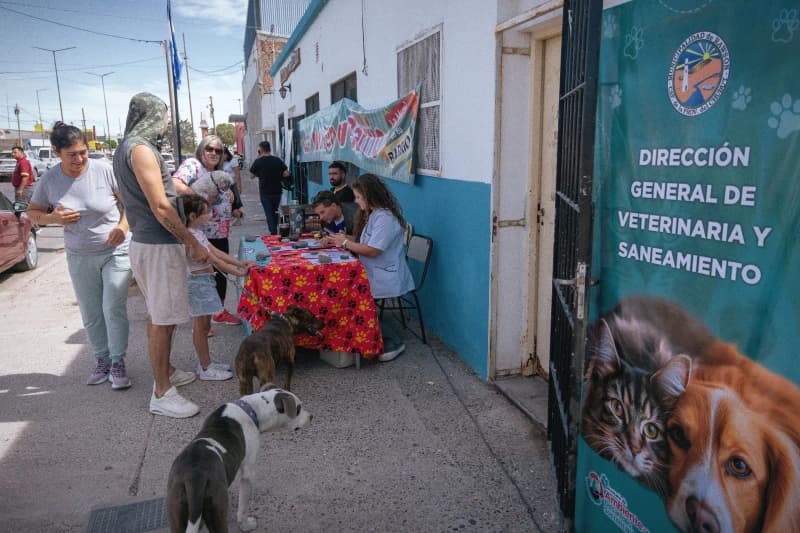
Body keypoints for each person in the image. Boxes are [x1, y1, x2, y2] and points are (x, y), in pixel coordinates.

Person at [113, 92, 209, 419]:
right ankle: (162, 391)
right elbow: (160, 205)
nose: (167, 123)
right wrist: (191, 242)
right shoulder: (139, 148)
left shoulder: (130, 147)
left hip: (150, 243)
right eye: (165, 116)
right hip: (157, 244)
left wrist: (189, 192)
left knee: (159, 315)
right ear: (153, 115)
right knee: (162, 319)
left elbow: (161, 191)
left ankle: (165, 371)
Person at [26, 122, 133, 389]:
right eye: (72, 154)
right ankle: (102, 360)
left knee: (112, 308)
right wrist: (53, 217)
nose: (80, 159)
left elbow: (129, 204)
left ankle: (118, 362)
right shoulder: (50, 180)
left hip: (115, 250)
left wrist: (122, 226)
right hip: (79, 255)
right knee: (91, 312)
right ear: (56, 152)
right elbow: (33, 212)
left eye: (83, 152)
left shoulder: (104, 170)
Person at [323, 173, 413, 362]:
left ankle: (393, 341)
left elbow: (373, 250)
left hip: (385, 275)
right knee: (345, 291)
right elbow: (365, 242)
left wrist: (346, 243)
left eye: (358, 197)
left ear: (370, 196)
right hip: (372, 271)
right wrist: (338, 240)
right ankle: (363, 337)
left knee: (351, 297)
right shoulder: (374, 215)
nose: (356, 201)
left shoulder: (385, 219)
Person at [172, 135, 241, 327]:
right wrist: (199, 199)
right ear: (201, 149)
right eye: (209, 149)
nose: (213, 153)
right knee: (208, 276)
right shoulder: (193, 165)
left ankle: (215, 313)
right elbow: (175, 184)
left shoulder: (218, 171)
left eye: (218, 151)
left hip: (220, 231)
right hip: (201, 233)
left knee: (217, 276)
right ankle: (206, 318)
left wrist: (233, 203)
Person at [181, 193, 252, 380]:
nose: (210, 215)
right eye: (206, 213)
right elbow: (214, 260)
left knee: (204, 326)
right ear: (192, 217)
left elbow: (216, 252)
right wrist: (239, 273)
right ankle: (205, 367)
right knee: (200, 326)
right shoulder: (189, 236)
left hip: (205, 281)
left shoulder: (197, 233)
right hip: (197, 284)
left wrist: (238, 263)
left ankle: (207, 362)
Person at [249, 140, 290, 234]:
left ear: (261, 149)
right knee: (275, 211)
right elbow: (286, 173)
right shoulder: (277, 160)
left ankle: (273, 232)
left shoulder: (258, 161)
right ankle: (277, 229)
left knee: (269, 213)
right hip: (277, 190)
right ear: (269, 149)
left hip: (265, 192)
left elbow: (251, 176)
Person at [223, 147, 244, 226]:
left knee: (235, 204)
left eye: (223, 155)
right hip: (223, 186)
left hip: (232, 185)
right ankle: (236, 218)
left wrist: (239, 186)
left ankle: (238, 219)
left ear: (226, 154)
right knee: (227, 203)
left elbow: (237, 174)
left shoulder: (233, 161)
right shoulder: (221, 162)